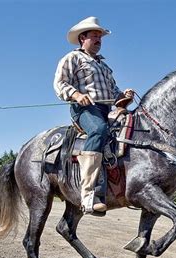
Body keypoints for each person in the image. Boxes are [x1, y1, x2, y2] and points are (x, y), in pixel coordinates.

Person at [54, 16, 134, 214]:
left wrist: (124, 96)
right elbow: (60, 83)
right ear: (83, 38)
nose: (99, 40)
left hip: (106, 110)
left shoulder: (105, 67)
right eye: (94, 36)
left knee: (132, 129)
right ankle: (89, 195)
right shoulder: (73, 58)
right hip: (84, 109)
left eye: (100, 36)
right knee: (98, 130)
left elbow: (114, 94)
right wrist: (77, 94)